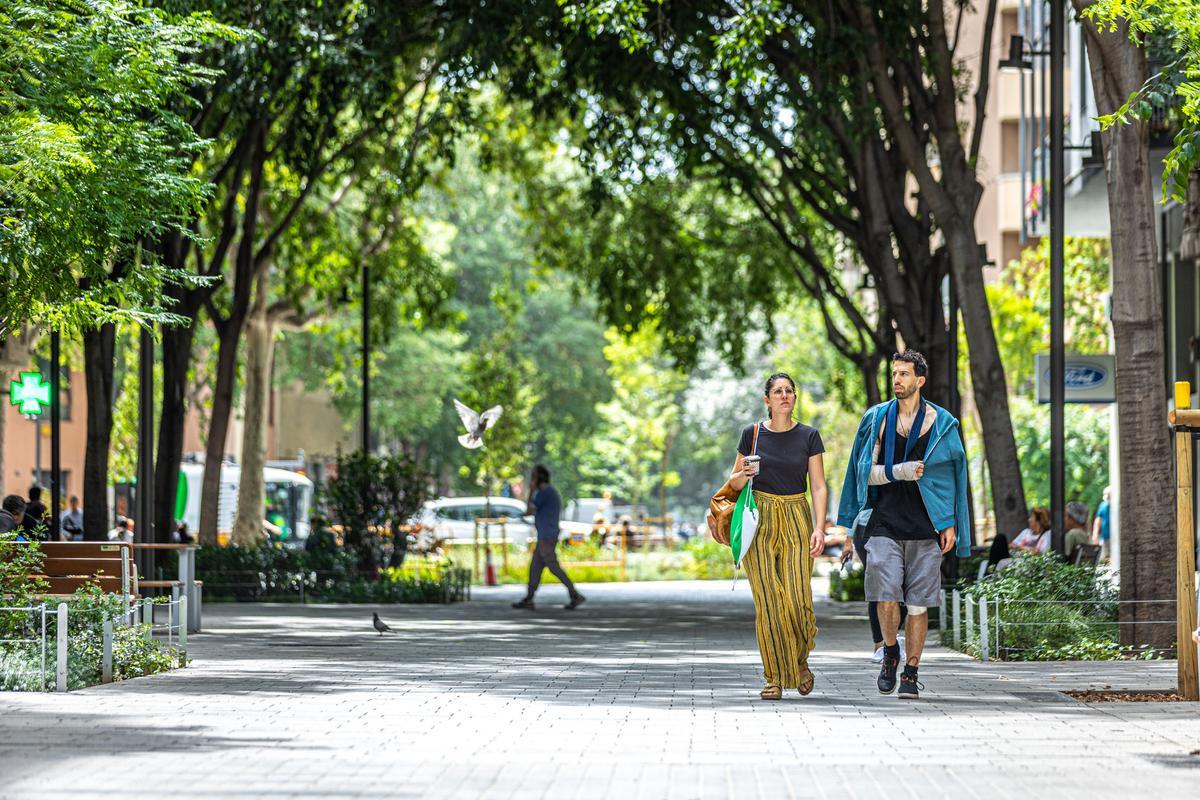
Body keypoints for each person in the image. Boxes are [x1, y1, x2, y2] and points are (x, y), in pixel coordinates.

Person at [838, 350, 971, 700]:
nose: (897, 379)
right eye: (894, 373)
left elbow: (953, 477)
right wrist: (899, 473)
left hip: (926, 525)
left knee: (917, 605)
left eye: (904, 374)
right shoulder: (877, 419)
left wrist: (950, 523)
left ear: (920, 380)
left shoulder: (942, 424)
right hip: (883, 522)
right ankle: (889, 652)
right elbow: (861, 472)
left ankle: (910, 671)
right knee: (885, 596)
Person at [727, 372, 827, 700]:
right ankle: (773, 676)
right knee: (769, 601)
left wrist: (819, 527)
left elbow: (819, 485)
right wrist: (744, 473)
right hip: (761, 518)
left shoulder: (809, 436)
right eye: (778, 391)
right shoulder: (752, 435)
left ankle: (799, 662)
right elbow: (733, 482)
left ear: (794, 398)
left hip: (797, 515)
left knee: (798, 598)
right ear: (767, 400)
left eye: (789, 391)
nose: (784, 396)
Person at [512, 465, 586, 611]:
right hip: (546, 535)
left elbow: (529, 510)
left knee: (553, 566)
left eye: (533, 476)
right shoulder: (549, 491)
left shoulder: (543, 492)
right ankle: (529, 598)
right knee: (535, 567)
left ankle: (575, 594)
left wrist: (531, 490)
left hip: (547, 535)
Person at [1092, 486, 1112, 561]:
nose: (1107, 496)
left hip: (1116, 538)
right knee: (1103, 558)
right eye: (1106, 494)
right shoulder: (1103, 505)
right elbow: (1098, 520)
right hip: (1105, 537)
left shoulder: (1118, 505)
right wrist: (1095, 533)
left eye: (1109, 495)